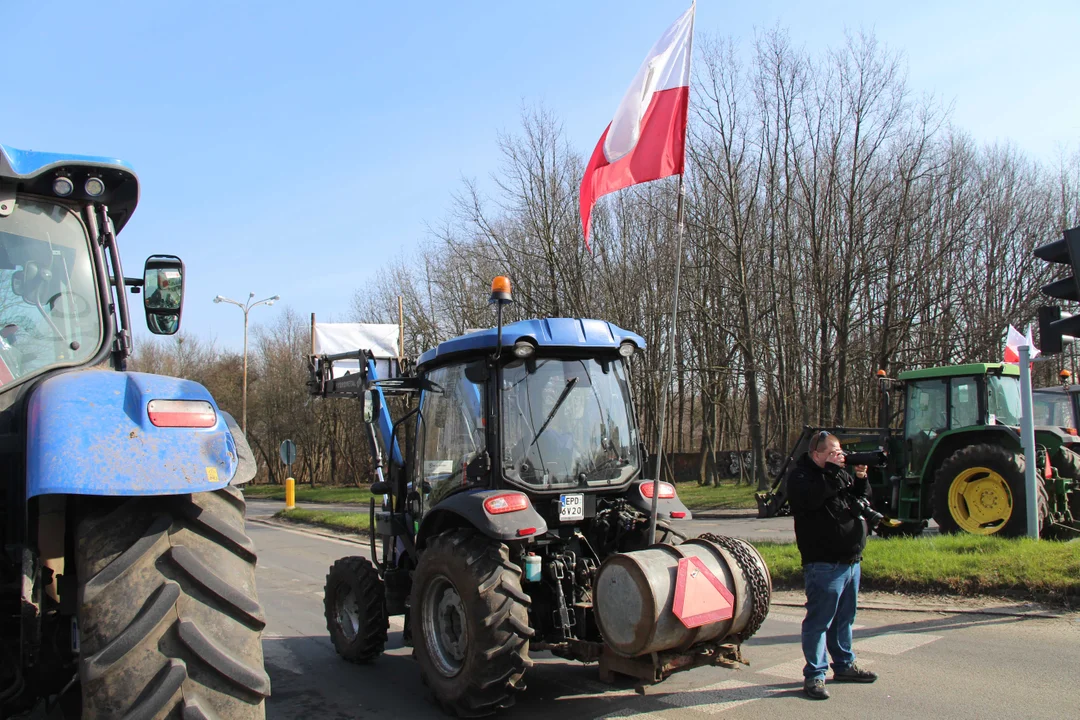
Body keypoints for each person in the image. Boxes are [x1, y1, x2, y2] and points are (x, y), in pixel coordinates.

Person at [787, 431, 879, 700]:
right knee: (819, 622)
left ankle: (843, 665)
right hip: (823, 563)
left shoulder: (837, 473)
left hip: (850, 562)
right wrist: (830, 470)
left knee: (844, 620)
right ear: (816, 454)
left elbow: (858, 501)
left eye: (839, 452)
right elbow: (813, 498)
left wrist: (860, 478)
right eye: (831, 453)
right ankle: (815, 675)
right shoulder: (802, 476)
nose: (838, 457)